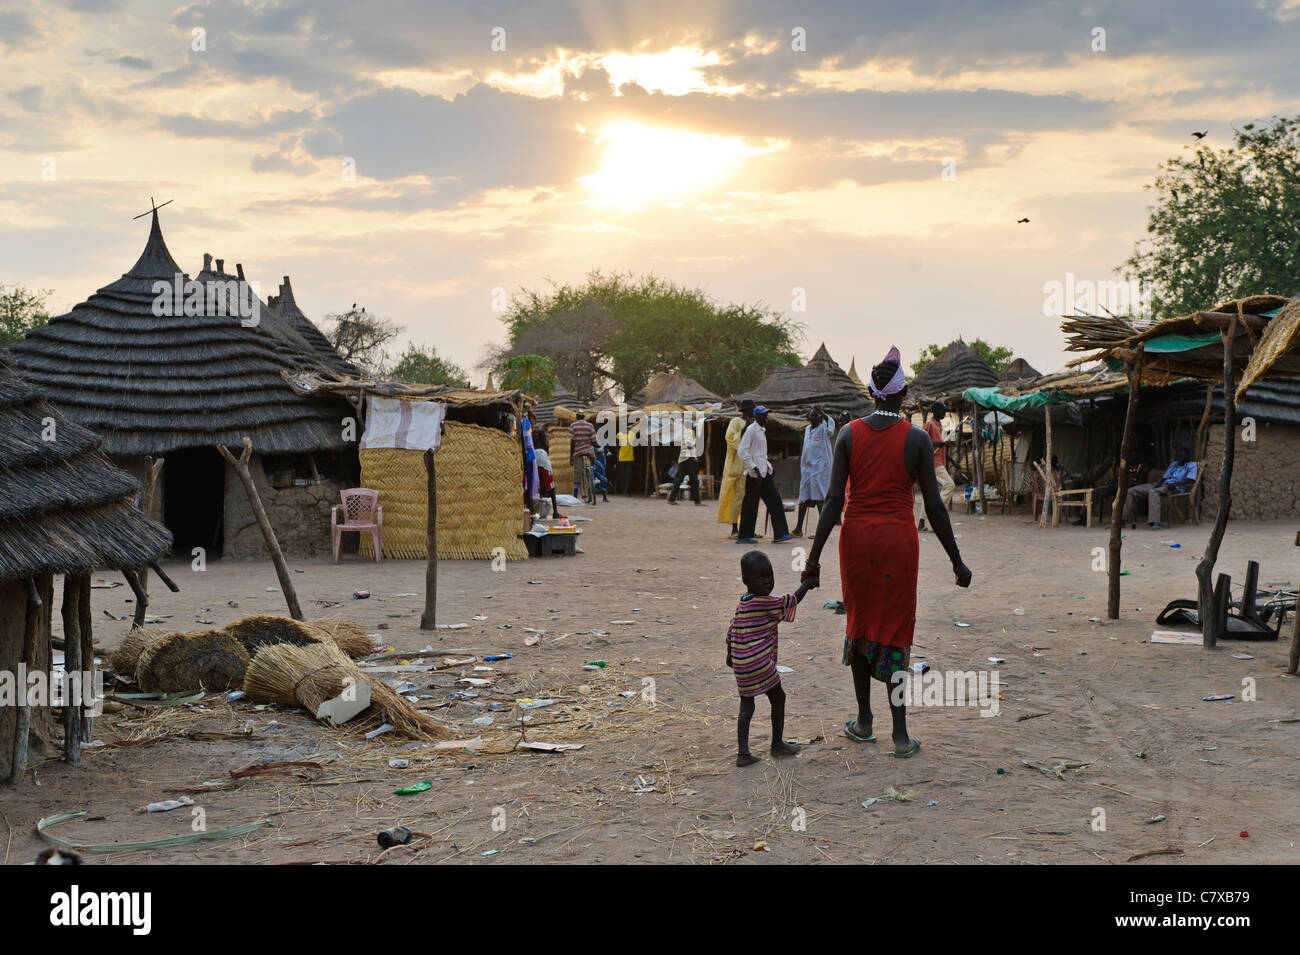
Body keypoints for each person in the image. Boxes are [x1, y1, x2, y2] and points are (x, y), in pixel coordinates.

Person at [803, 346, 972, 758]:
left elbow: (831, 502)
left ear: (872, 393)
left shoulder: (848, 433)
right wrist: (956, 560)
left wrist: (813, 558)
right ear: (903, 394)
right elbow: (933, 506)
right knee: (895, 631)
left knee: (859, 626)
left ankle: (864, 722)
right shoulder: (915, 439)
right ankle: (900, 735)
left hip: (856, 541)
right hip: (898, 543)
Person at [726, 549, 813, 766]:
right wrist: (807, 585)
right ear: (747, 580)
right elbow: (789, 601)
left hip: (741, 662)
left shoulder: (745, 601)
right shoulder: (763, 602)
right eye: (760, 578)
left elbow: (732, 630)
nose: (767, 582)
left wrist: (730, 656)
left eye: (770, 576)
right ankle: (777, 744)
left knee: (747, 705)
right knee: (778, 698)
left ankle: (743, 754)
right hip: (758, 662)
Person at [737, 405, 793, 544]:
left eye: (766, 414)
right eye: (763, 415)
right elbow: (742, 452)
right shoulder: (751, 430)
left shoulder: (762, 430)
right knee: (751, 504)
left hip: (764, 472)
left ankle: (780, 534)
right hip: (754, 474)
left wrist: (768, 467)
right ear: (756, 416)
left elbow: (760, 454)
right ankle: (744, 536)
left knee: (775, 500)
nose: (766, 417)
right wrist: (754, 468)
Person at [1123, 445, 1197, 530]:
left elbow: (1191, 480)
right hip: (1163, 485)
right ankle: (1122, 519)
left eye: (1181, 456)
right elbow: (1165, 477)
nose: (1179, 458)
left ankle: (1155, 522)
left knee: (1153, 492)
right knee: (1131, 491)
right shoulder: (1174, 464)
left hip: (1175, 487)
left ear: (1187, 456)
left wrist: (1176, 484)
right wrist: (1158, 483)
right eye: (1178, 455)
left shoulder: (1192, 465)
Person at [793, 406, 834, 536]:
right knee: (803, 498)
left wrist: (824, 413)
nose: (814, 417)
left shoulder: (824, 429)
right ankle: (798, 529)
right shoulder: (807, 429)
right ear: (808, 417)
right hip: (807, 469)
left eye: (816, 415)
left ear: (820, 417)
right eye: (812, 415)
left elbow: (831, 428)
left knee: (820, 498)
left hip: (820, 469)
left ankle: (821, 531)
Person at [717, 400, 753, 536]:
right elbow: (730, 439)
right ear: (746, 410)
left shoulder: (754, 424)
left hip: (749, 466)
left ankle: (748, 528)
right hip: (735, 466)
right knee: (736, 498)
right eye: (751, 410)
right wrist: (745, 429)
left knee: (748, 498)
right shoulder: (735, 422)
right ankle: (734, 528)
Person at [918, 401, 954, 531]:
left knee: (928, 493)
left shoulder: (939, 426)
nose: (944, 413)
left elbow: (941, 446)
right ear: (937, 411)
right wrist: (936, 444)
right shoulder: (929, 424)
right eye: (943, 411)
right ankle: (937, 512)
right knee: (950, 485)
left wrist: (953, 462)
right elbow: (921, 441)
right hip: (933, 463)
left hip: (939, 462)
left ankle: (922, 522)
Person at [667, 421, 703, 505]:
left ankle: (671, 499)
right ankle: (697, 501)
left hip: (682, 459)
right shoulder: (691, 432)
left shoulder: (683, 433)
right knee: (694, 480)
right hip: (689, 458)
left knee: (678, 479)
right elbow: (689, 444)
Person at [532, 429, 562, 520]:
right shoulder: (545, 442)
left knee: (535, 484)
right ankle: (555, 512)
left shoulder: (533, 440)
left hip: (534, 458)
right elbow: (547, 452)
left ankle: (532, 511)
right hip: (544, 460)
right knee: (551, 487)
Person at [568, 413, 596, 497]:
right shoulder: (590, 425)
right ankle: (594, 477)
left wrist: (571, 457)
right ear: (584, 417)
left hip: (577, 451)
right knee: (594, 460)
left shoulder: (573, 425)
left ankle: (575, 495)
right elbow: (593, 440)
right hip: (588, 450)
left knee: (577, 472)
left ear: (576, 417)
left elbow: (572, 442)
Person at [617, 425, 636, 496]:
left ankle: (626, 491)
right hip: (621, 458)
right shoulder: (619, 435)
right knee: (622, 475)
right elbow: (617, 447)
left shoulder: (632, 434)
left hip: (630, 458)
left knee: (628, 475)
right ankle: (624, 490)